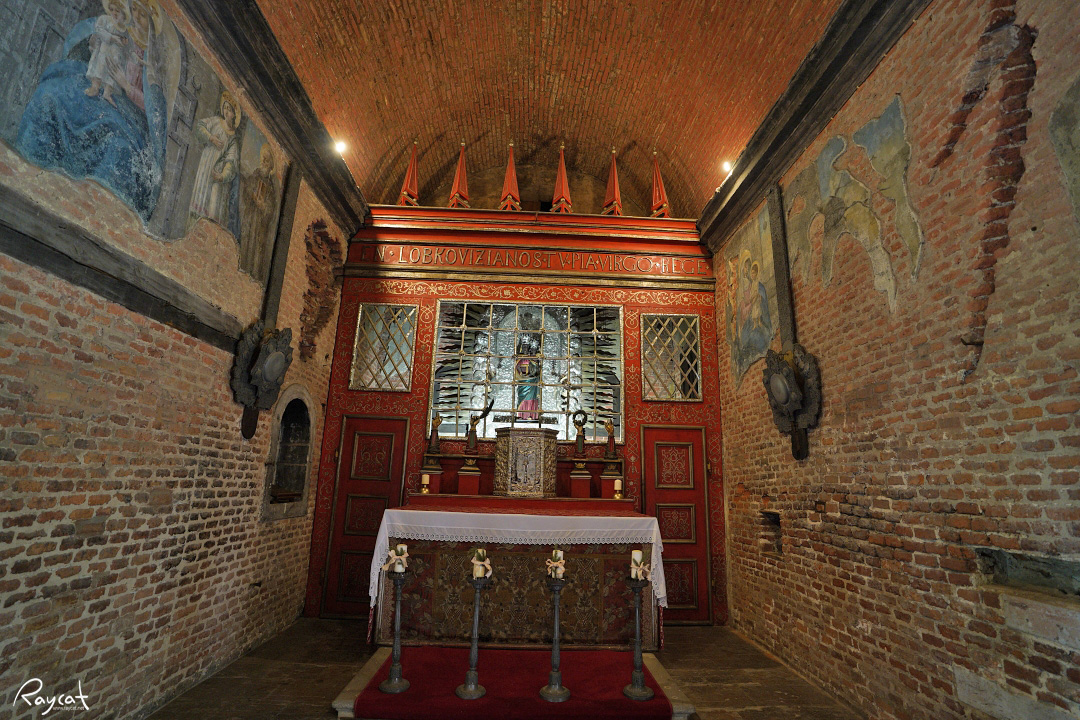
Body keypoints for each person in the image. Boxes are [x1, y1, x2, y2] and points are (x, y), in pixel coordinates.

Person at [15, 0, 170, 221]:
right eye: (134, 10)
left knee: (119, 147)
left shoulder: (150, 61)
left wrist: (125, 85)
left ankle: (94, 215)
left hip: (126, 113)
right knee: (51, 95)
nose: (136, 17)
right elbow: (88, 46)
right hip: (97, 87)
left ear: (152, 26)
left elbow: (154, 110)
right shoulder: (118, 30)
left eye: (143, 15)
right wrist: (93, 42)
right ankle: (30, 172)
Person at [190, 91, 242, 234]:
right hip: (205, 166)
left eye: (229, 109)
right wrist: (210, 137)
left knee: (212, 209)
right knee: (199, 199)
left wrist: (222, 176)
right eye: (225, 107)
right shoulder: (216, 121)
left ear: (234, 115)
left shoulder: (233, 139)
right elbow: (200, 126)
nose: (226, 111)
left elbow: (231, 163)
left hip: (217, 176)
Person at [84, 0, 130, 107]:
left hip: (116, 55)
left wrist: (124, 42)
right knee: (99, 68)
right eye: (112, 10)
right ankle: (95, 87)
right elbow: (99, 30)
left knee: (112, 72)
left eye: (117, 11)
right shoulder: (104, 19)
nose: (114, 13)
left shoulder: (124, 28)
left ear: (123, 13)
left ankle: (107, 93)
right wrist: (112, 38)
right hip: (102, 50)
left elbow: (126, 43)